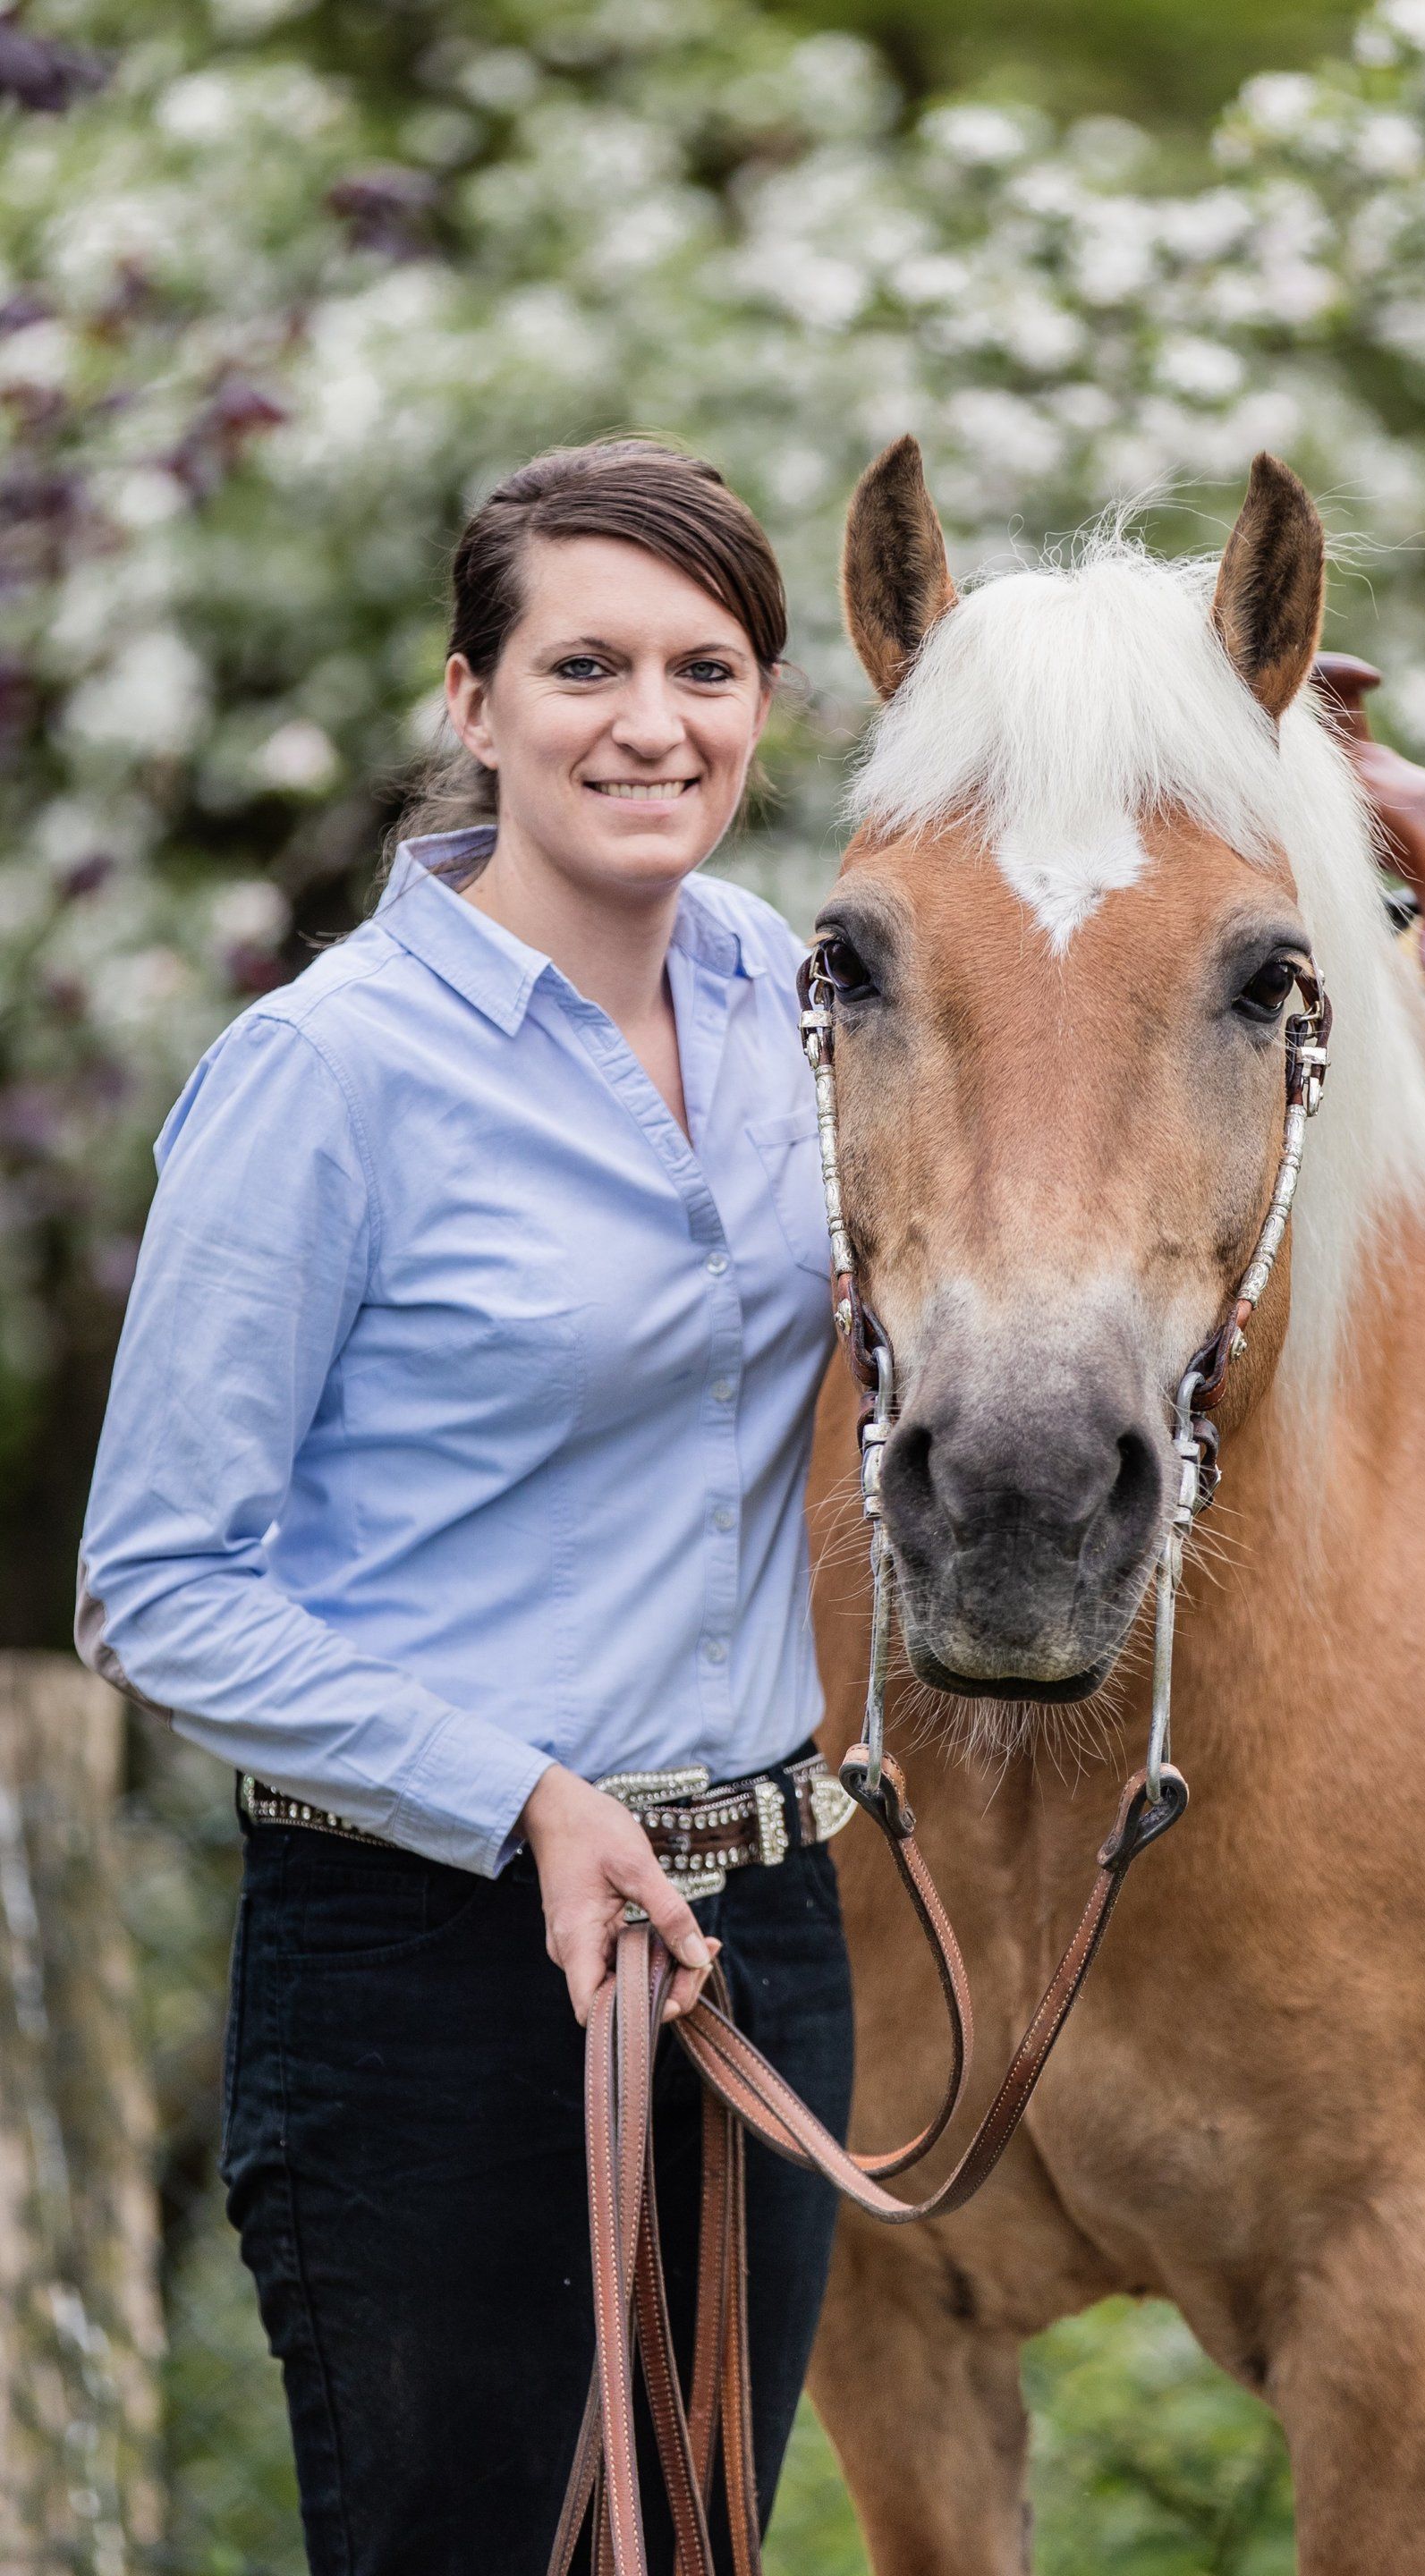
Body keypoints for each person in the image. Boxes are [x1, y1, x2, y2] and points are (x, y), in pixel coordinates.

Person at [75, 437, 853, 2575]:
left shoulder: (797, 998)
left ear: (764, 706)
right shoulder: (330, 1076)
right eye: (583, 664)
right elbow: (155, 1588)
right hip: (434, 1959)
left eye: (708, 667)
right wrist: (522, 1796)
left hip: (754, 1933)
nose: (651, 723)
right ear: (470, 700)